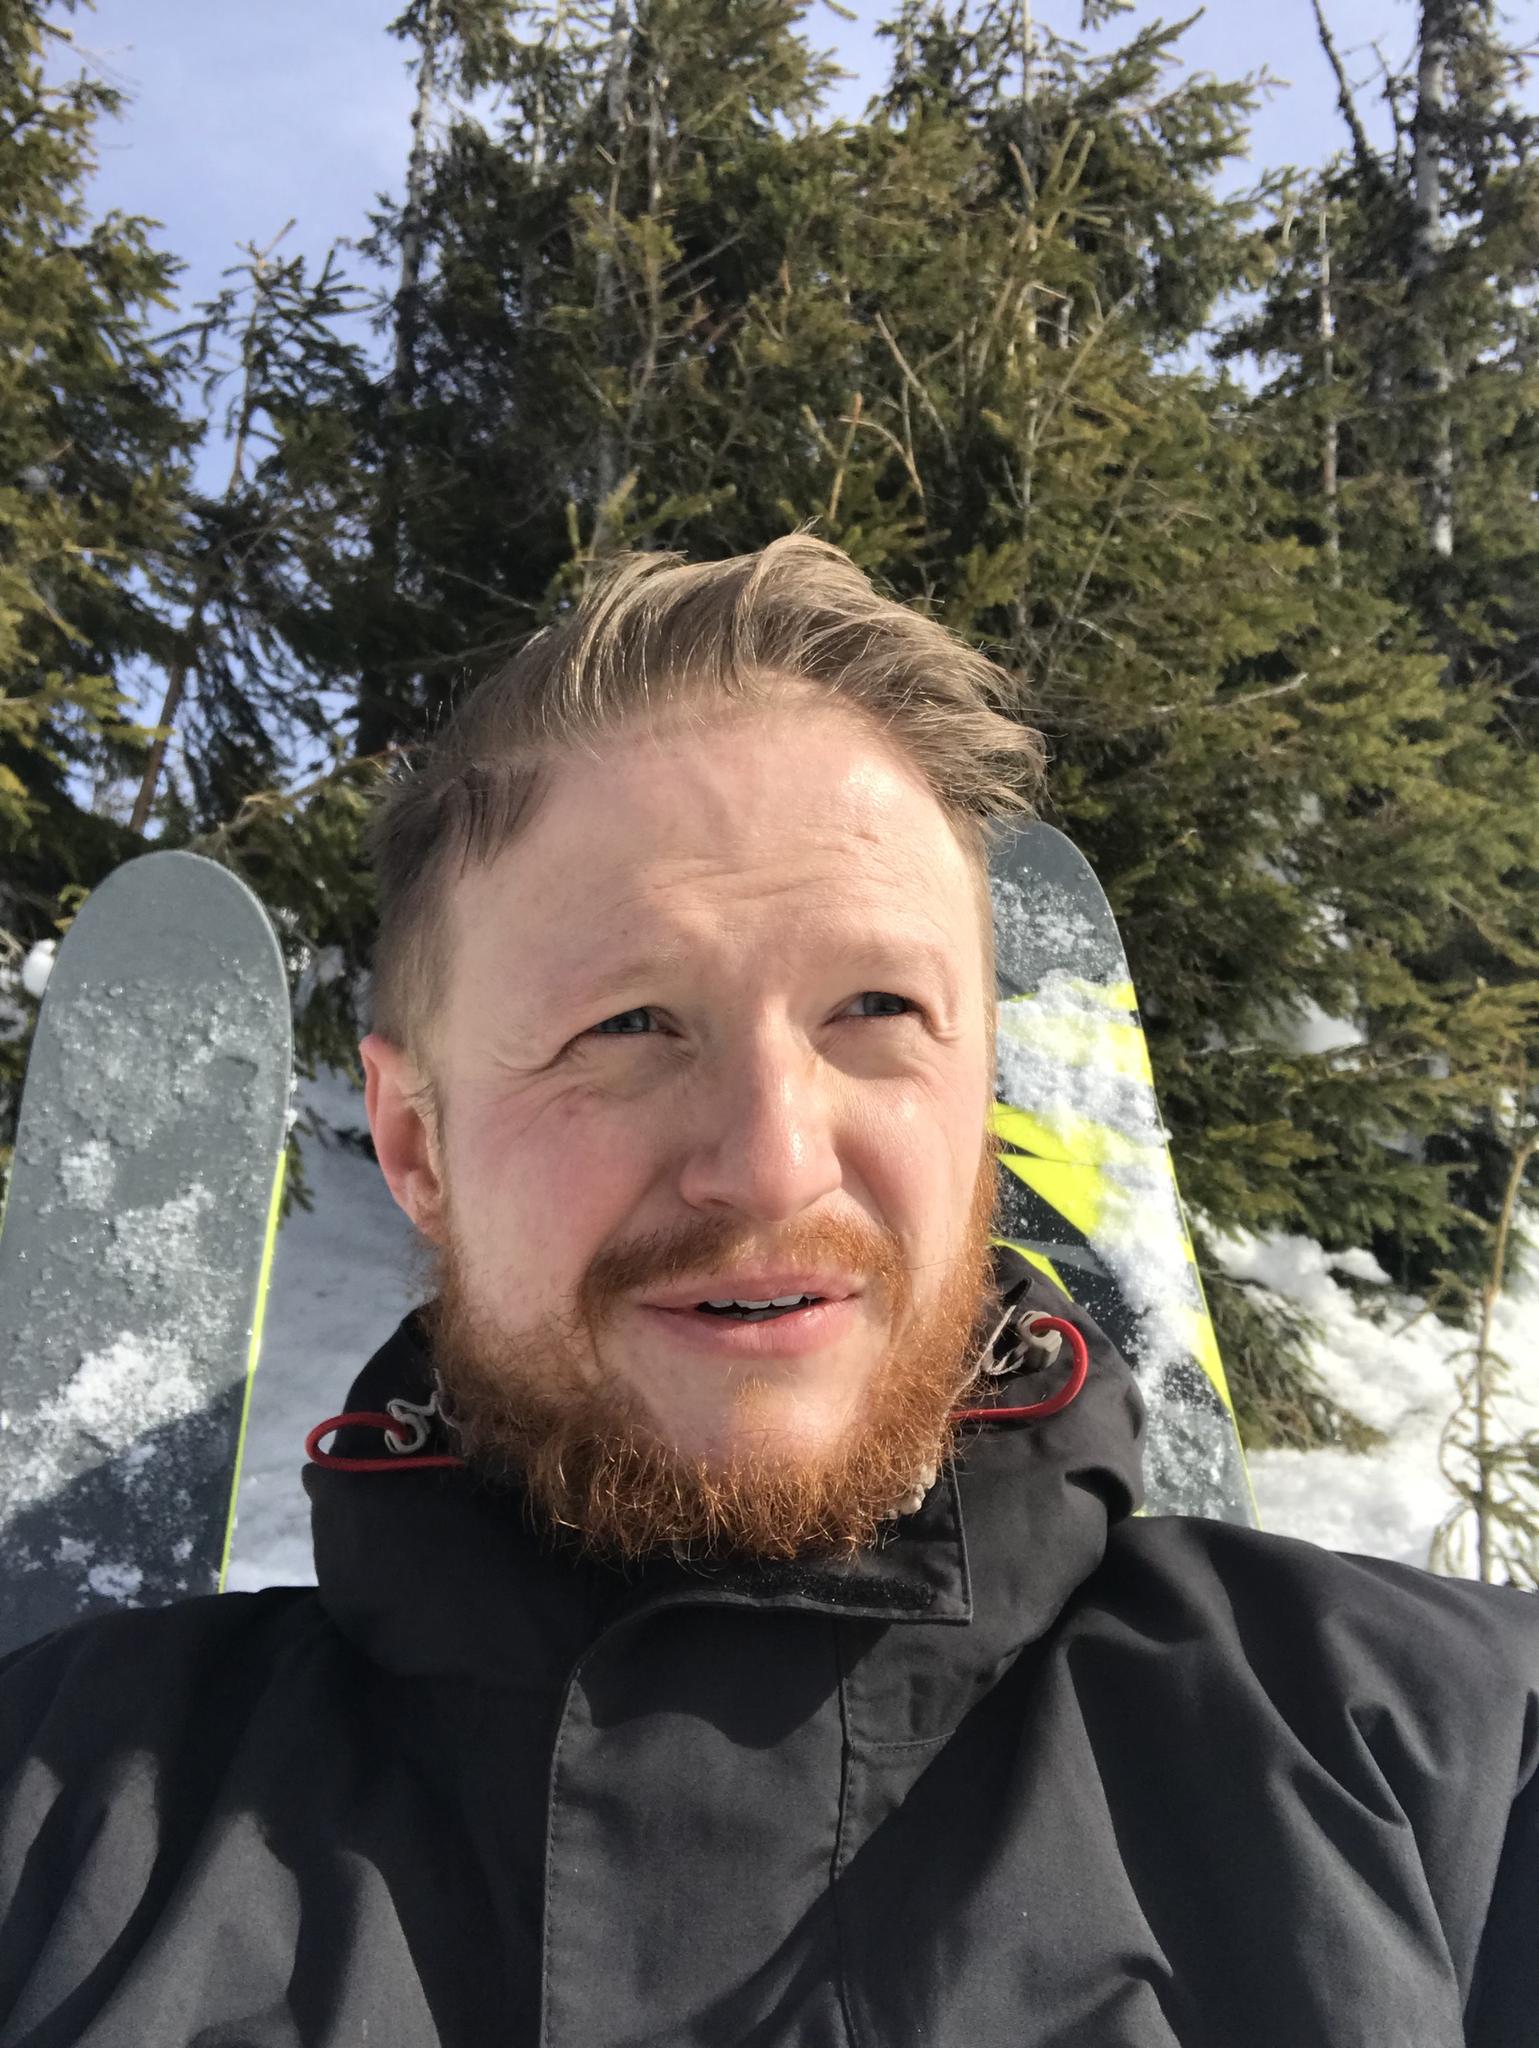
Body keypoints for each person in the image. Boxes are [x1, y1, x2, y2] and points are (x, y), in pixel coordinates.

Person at [0, 536, 1535, 2048]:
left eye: (877, 1008)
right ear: (416, 1146)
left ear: (980, 1101)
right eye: (628, 1024)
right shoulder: (60, 1821)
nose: (774, 1164)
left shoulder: (1432, 1765)